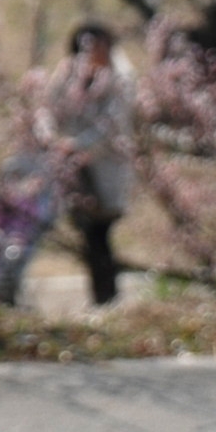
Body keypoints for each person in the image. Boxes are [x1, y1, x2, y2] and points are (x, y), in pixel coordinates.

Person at [42, 21, 135, 306]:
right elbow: (49, 108)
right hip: (75, 169)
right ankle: (103, 296)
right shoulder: (69, 72)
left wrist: (77, 144)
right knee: (90, 234)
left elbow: (114, 124)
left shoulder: (120, 75)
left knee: (100, 232)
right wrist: (52, 138)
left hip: (105, 168)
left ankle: (106, 297)